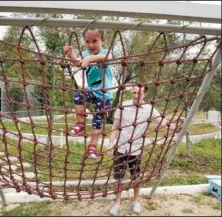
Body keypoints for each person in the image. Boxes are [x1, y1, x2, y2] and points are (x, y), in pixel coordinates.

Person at [107, 85, 178, 215]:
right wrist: (111, 143)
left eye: (138, 94)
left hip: (136, 150)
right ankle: (117, 203)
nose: (135, 96)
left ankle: (135, 201)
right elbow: (115, 126)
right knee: (118, 178)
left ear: (144, 94)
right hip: (121, 149)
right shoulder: (123, 105)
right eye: (133, 92)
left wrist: (175, 127)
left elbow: (162, 122)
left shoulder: (149, 109)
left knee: (136, 178)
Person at [64, 28, 113, 158]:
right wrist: (71, 56)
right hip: (92, 90)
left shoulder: (105, 52)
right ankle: (80, 124)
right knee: (79, 94)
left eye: (95, 41)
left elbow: (108, 57)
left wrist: (91, 58)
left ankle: (92, 147)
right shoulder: (86, 54)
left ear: (103, 40)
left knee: (97, 121)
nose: (91, 45)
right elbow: (78, 64)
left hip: (104, 95)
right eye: (87, 41)